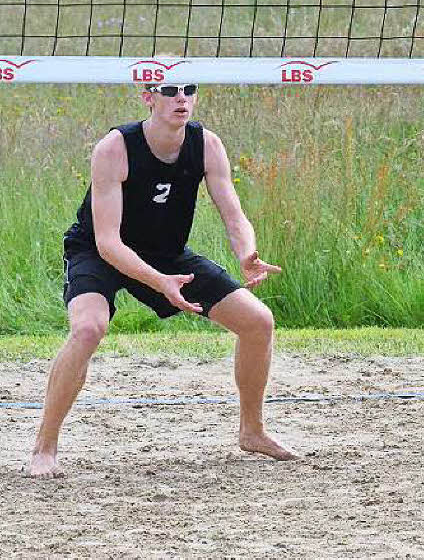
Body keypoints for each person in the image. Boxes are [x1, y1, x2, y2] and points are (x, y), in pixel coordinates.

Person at [28, 82, 297, 478]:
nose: (181, 98)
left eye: (189, 89)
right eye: (169, 90)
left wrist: (247, 254)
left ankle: (252, 431)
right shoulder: (114, 148)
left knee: (258, 322)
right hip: (101, 251)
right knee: (88, 328)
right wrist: (159, 282)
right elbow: (108, 243)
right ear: (147, 97)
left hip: (165, 253)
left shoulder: (206, 144)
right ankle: (44, 447)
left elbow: (234, 215)